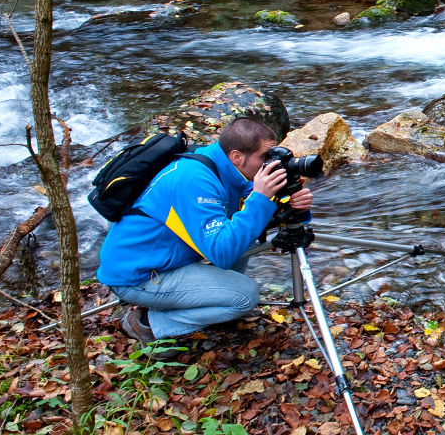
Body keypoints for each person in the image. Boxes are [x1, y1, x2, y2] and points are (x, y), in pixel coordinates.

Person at [96, 116, 314, 351]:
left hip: (168, 258)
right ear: (237, 156)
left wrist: (290, 202)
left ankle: (215, 299)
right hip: (140, 275)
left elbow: (252, 214)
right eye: (264, 158)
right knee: (245, 296)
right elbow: (223, 252)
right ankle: (147, 324)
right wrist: (261, 198)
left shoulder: (223, 166)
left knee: (244, 235)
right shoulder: (195, 180)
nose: (269, 165)